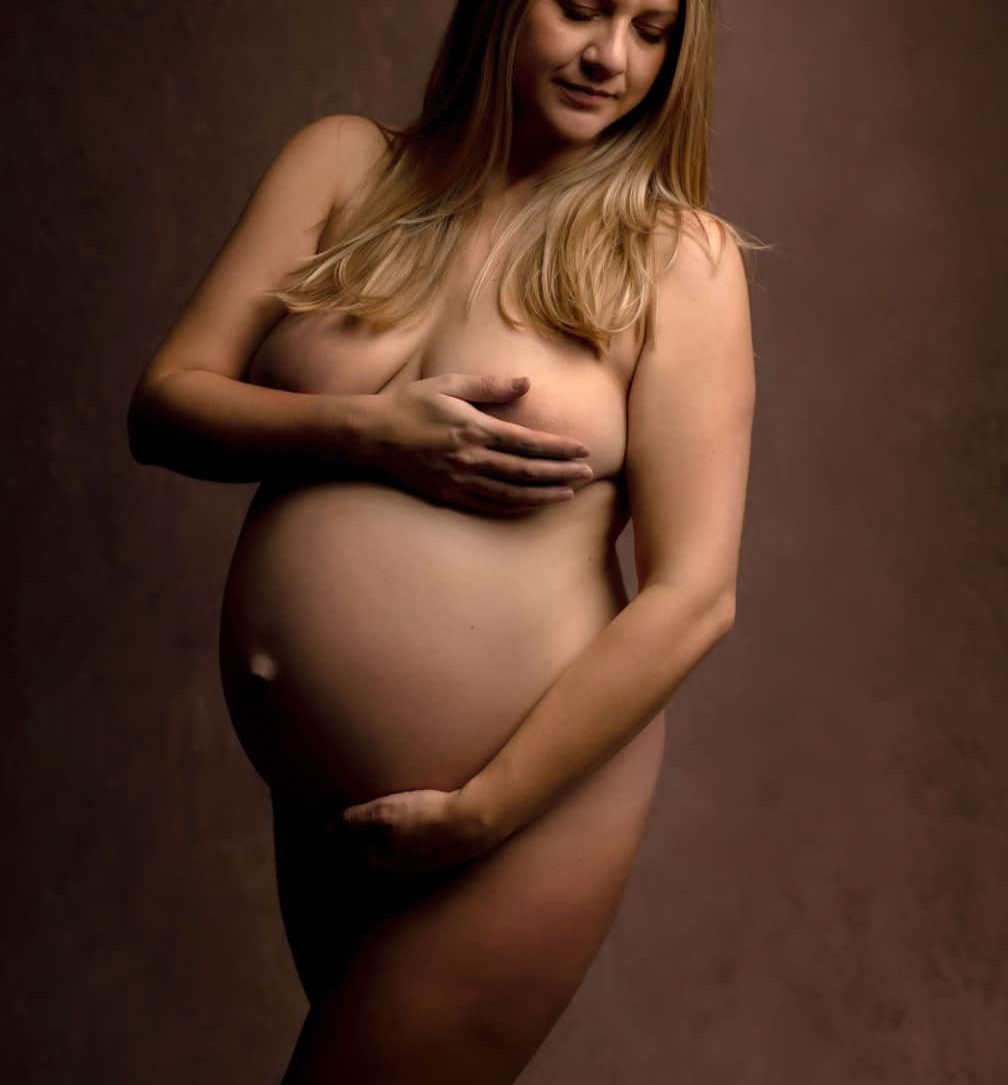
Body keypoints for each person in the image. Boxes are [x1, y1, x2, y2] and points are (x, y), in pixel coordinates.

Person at [127, 0, 760, 1079]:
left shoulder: (676, 258)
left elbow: (693, 593)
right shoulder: (343, 165)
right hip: (327, 793)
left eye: (652, 30)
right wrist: (363, 430)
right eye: (582, 10)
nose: (612, 57)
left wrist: (483, 809)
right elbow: (165, 405)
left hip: (523, 805)